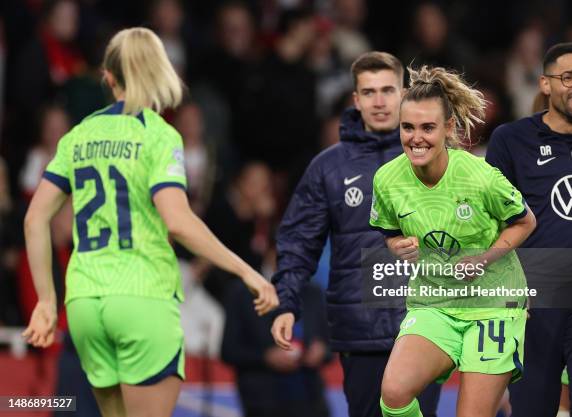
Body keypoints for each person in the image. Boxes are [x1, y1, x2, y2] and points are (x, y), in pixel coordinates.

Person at [21, 27, 278, 417]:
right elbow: (177, 221)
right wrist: (247, 271)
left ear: (108, 77)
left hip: (85, 304)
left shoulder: (79, 134)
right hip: (142, 299)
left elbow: (35, 217)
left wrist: (46, 299)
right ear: (162, 70)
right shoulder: (159, 137)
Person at [271, 51, 442, 417]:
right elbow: (298, 243)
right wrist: (287, 303)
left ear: (404, 93)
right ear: (356, 99)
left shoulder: (438, 157)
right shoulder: (328, 167)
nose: (379, 102)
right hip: (360, 332)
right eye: (368, 92)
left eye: (387, 90)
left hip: (428, 325)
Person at [370, 65, 537, 417]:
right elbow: (390, 234)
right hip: (434, 304)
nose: (416, 138)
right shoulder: (386, 180)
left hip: (493, 306)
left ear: (448, 128)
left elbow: (525, 222)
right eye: (408, 127)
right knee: (394, 393)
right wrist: (396, 246)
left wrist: (487, 257)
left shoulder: (480, 176)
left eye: (428, 127)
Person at [486, 42, 572, 417]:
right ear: (544, 83)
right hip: (533, 300)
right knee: (532, 409)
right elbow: (493, 220)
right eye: (568, 76)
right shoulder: (511, 140)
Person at [222, 280, 331, 417]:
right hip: (263, 402)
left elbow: (328, 345)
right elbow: (229, 351)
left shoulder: (314, 291)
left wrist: (321, 351)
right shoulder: (243, 292)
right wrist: (265, 357)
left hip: (311, 400)